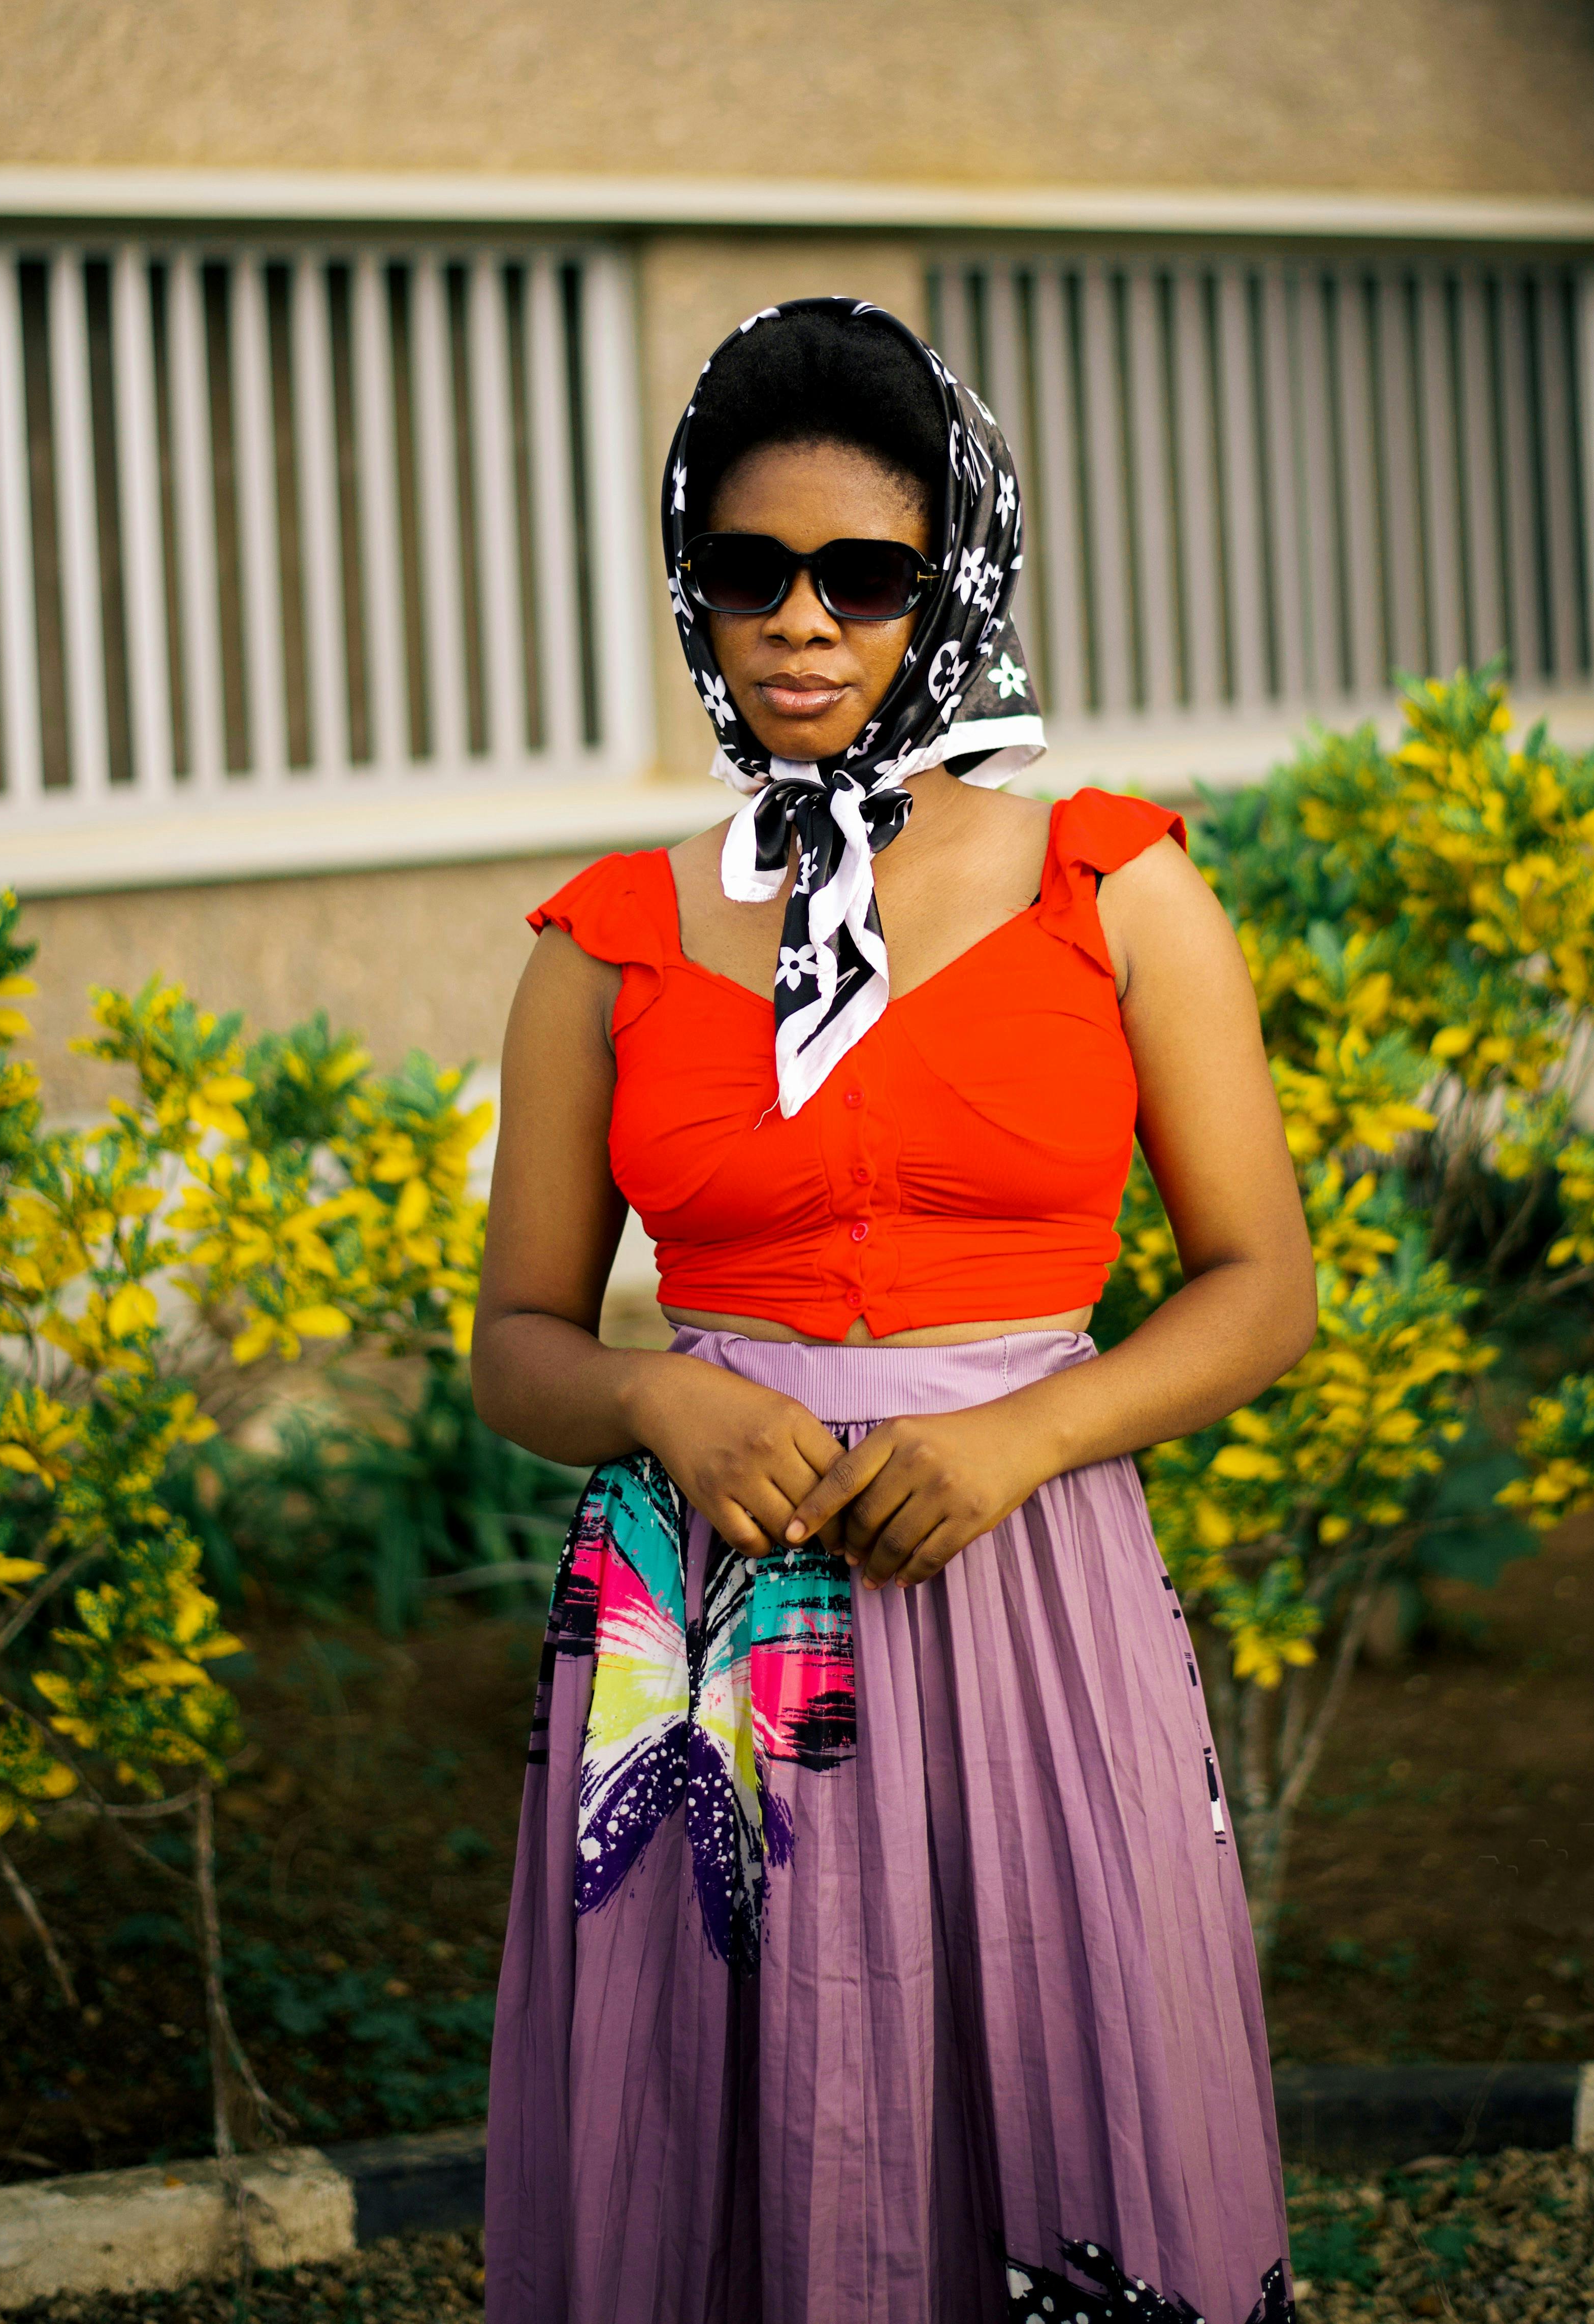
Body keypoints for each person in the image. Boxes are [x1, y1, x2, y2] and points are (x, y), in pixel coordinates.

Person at [475, 298, 1317, 2324]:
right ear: (696, 593)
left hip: (1026, 1583)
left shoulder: (1109, 890)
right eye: (745, 573)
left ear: (951, 586)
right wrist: (662, 1404)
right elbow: (514, 1340)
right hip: (703, 1625)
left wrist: (1021, 1433)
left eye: (863, 576)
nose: (800, 624)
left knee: (1063, 2052)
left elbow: (1260, 1283)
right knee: (711, 2125)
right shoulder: (608, 939)